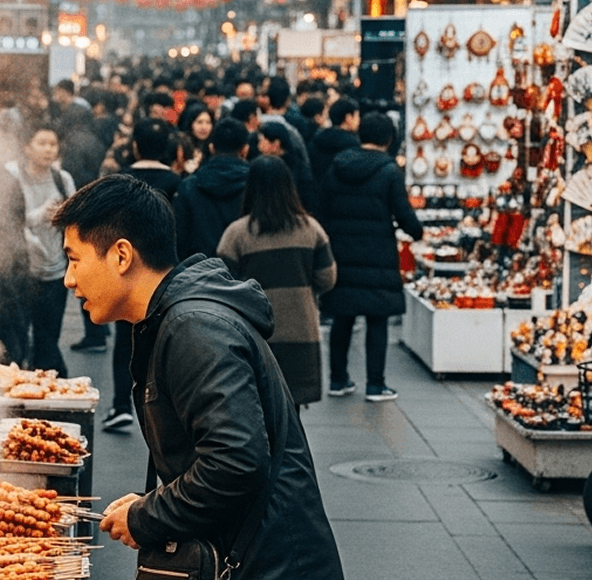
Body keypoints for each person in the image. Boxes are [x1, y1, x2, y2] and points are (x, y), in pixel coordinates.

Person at [52, 174, 353, 580]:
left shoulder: (193, 327)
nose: (68, 279)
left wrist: (147, 516)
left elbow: (235, 463)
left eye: (75, 258)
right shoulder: (175, 319)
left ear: (121, 255)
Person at [216, 156, 336, 408]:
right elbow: (327, 278)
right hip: (301, 333)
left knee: (257, 410)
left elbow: (222, 284)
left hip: (253, 336)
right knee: (291, 415)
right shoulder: (311, 229)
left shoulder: (236, 233)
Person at [319, 112, 423, 401]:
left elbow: (323, 208)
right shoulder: (389, 171)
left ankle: (338, 380)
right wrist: (417, 232)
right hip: (377, 254)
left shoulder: (337, 166)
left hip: (341, 252)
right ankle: (375, 385)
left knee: (343, 317)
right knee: (377, 319)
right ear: (389, 139)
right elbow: (403, 213)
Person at [104, 118, 183, 431]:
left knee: (126, 341)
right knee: (168, 343)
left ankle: (122, 404)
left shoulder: (120, 183)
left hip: (128, 274)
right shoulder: (180, 183)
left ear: (134, 146)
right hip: (168, 275)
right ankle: (167, 410)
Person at [6, 122, 76, 378]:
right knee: (17, 340)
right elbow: (5, 221)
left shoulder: (62, 178)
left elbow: (77, 220)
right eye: (42, 143)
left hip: (55, 271)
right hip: (21, 273)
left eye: (53, 144)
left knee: (48, 338)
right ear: (27, 147)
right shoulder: (12, 175)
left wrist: (63, 215)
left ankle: (44, 396)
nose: (48, 149)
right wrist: (38, 215)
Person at [172, 117, 251, 261]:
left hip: (199, 273)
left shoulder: (188, 186)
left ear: (211, 147)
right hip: (246, 276)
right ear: (245, 150)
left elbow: (179, 240)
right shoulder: (256, 184)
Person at [256, 120, 320, 217]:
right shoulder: (298, 165)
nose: (258, 146)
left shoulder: (297, 168)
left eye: (261, 141)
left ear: (276, 144)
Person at [308, 96, 360, 183]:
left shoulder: (317, 139)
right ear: (348, 118)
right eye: (357, 116)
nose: (359, 120)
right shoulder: (353, 145)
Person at [176, 100, 215, 174]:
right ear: (190, 124)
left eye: (208, 122)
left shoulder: (214, 145)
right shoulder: (181, 144)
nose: (204, 127)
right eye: (199, 122)